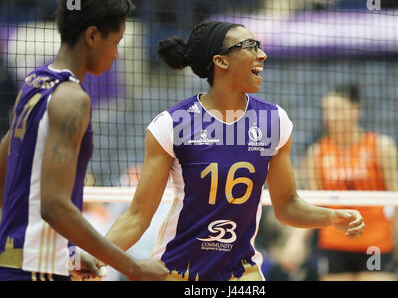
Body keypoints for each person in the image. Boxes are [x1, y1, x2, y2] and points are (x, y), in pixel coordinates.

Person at [99, 20, 365, 281]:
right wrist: (93, 254)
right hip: (179, 270)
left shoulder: (274, 121)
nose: (262, 54)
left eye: (259, 46)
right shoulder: (173, 124)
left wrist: (331, 217)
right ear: (221, 61)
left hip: (241, 273)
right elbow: (137, 216)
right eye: (250, 46)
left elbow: (286, 205)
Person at [0, 0, 168, 281]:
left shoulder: (33, 84)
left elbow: (4, 174)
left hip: (17, 261)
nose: (116, 54)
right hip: (38, 272)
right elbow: (54, 206)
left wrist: (66, 250)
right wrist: (134, 267)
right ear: (92, 35)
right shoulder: (72, 99)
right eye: (115, 42)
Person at [281, 84, 398, 281]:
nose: (330, 116)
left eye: (337, 109)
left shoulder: (381, 148)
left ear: (355, 111)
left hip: (375, 244)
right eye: (326, 110)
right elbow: (313, 203)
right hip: (334, 245)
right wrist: (295, 241)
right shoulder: (317, 153)